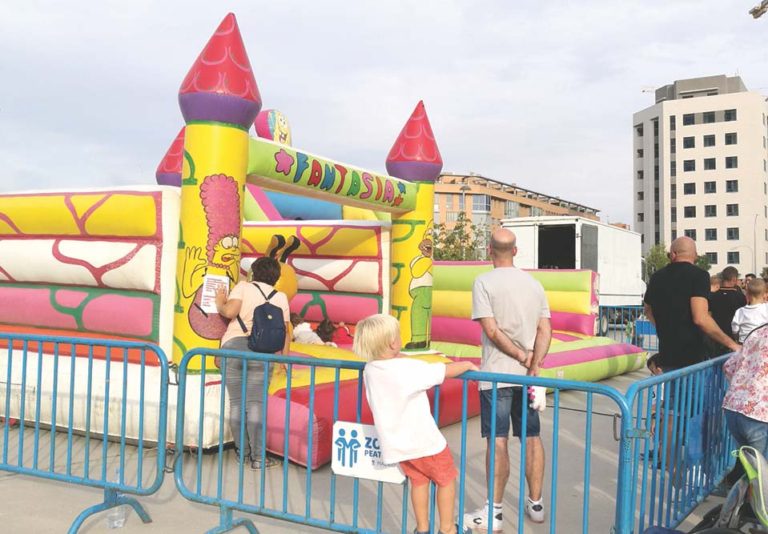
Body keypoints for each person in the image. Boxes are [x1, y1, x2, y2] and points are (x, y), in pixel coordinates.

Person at [464, 229, 552, 530]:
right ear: (515, 251)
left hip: (497, 374)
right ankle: (536, 503)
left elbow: (491, 330)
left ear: (490, 250)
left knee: (498, 440)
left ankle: (495, 511)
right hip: (528, 377)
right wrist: (534, 362)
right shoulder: (534, 284)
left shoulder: (483, 282)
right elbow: (545, 329)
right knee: (531, 437)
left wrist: (518, 355)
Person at [357, 314, 476, 534]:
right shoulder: (407, 369)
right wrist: (467, 364)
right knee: (446, 479)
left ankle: (422, 528)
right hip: (424, 441)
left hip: (398, 445)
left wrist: (398, 357)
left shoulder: (371, 370)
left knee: (419, 481)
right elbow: (442, 371)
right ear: (393, 342)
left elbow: (391, 366)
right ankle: (448, 528)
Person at [215, 257, 290, 470]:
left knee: (237, 403)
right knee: (255, 404)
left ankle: (242, 452)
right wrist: (284, 359)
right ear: (276, 277)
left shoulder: (243, 287)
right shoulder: (281, 297)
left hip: (234, 346)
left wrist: (220, 300)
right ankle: (259, 458)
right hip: (263, 352)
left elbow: (229, 312)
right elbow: (285, 331)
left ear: (253, 273)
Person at [644, 238, 740, 371]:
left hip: (667, 354)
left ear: (673, 254)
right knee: (694, 391)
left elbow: (648, 310)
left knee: (672, 391)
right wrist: (731, 344)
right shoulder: (699, 275)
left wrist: (664, 326)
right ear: (694, 255)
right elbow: (700, 318)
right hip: (692, 356)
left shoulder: (656, 277)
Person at [723, 323, 768, 463]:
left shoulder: (757, 331)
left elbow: (728, 367)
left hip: (734, 407)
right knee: (761, 476)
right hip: (760, 415)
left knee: (751, 472)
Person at [708, 266, 747, 354]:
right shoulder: (740, 297)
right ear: (734, 279)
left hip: (716, 336)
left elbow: (708, 315)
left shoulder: (712, 296)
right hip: (733, 338)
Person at [731, 278, 768, 343]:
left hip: (745, 344)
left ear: (747, 294)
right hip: (764, 344)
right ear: (765, 294)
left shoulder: (740, 311)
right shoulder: (766, 307)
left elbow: (735, 330)